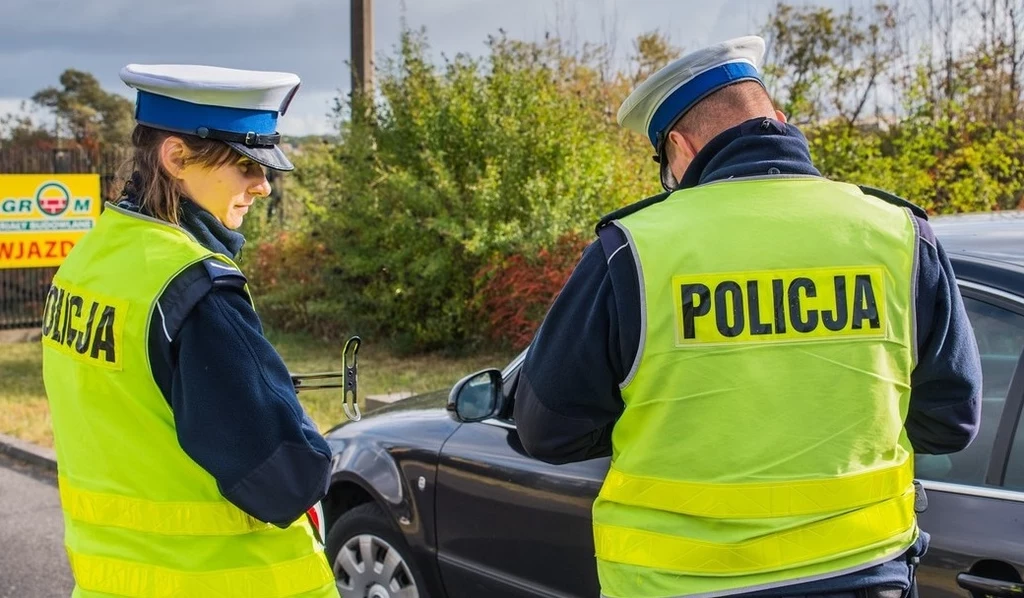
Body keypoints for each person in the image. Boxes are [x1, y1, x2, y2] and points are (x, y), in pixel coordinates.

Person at [514, 36, 982, 598]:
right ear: (778, 120)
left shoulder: (632, 250)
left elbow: (546, 430)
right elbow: (952, 421)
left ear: (680, 149)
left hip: (680, 584)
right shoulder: (900, 234)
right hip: (865, 574)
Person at [40, 64, 339, 598]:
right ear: (176, 157)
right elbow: (286, 480)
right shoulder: (195, 289)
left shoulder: (88, 260)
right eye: (247, 165)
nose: (263, 186)